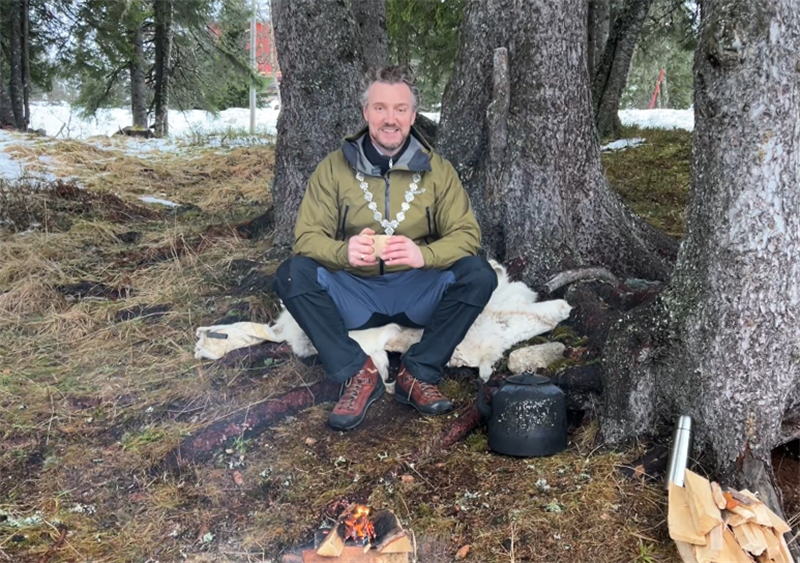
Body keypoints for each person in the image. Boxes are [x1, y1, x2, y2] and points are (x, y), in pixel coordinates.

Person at [272, 66, 497, 431]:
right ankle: (357, 372)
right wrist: (343, 252)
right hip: (354, 291)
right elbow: (307, 238)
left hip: (418, 288)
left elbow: (466, 234)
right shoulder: (333, 169)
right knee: (291, 275)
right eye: (380, 108)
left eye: (400, 108)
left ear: (412, 114)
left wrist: (423, 255)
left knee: (479, 274)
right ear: (365, 113)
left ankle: (419, 371)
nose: (389, 119)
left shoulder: (437, 170)